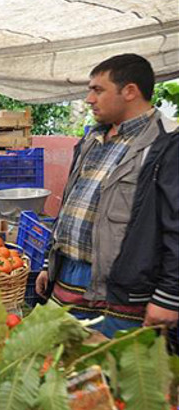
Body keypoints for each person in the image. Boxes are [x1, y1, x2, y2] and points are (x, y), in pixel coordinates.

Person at [36, 54, 179, 337]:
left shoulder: (167, 144)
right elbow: (70, 205)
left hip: (123, 287)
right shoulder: (91, 140)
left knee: (111, 371)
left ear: (130, 91)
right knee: (63, 367)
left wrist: (169, 296)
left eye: (97, 90)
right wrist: (48, 264)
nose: (89, 99)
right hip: (69, 277)